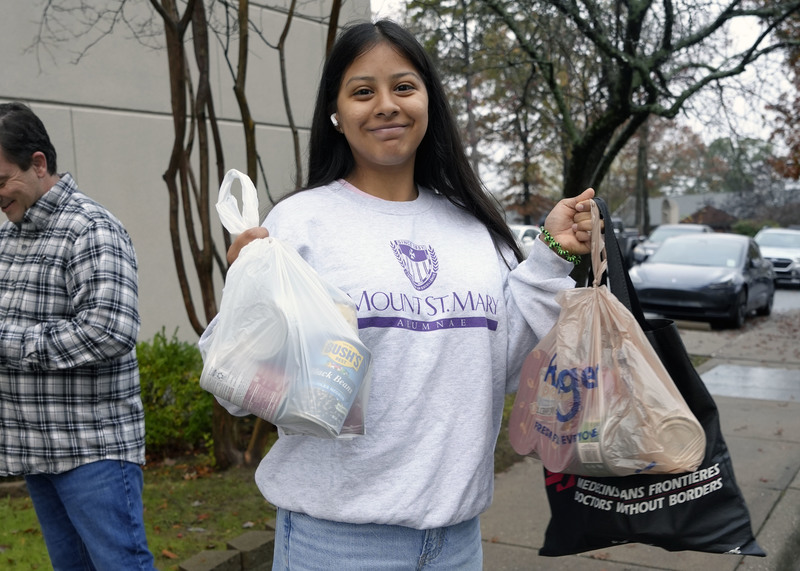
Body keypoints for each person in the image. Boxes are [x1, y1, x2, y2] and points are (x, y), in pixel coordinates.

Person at [217, 19, 595, 569]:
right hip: (336, 544)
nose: (386, 105)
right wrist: (250, 308)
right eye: (363, 91)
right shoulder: (301, 223)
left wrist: (549, 259)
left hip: (457, 543)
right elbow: (239, 388)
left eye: (403, 86)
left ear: (428, 102)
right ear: (336, 113)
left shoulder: (475, 230)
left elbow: (510, 372)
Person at [0, 102, 155, 570]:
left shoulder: (92, 228)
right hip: (36, 452)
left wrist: (9, 343)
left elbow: (109, 330)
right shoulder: (9, 237)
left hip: (94, 452)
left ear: (39, 164)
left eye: (1, 179)